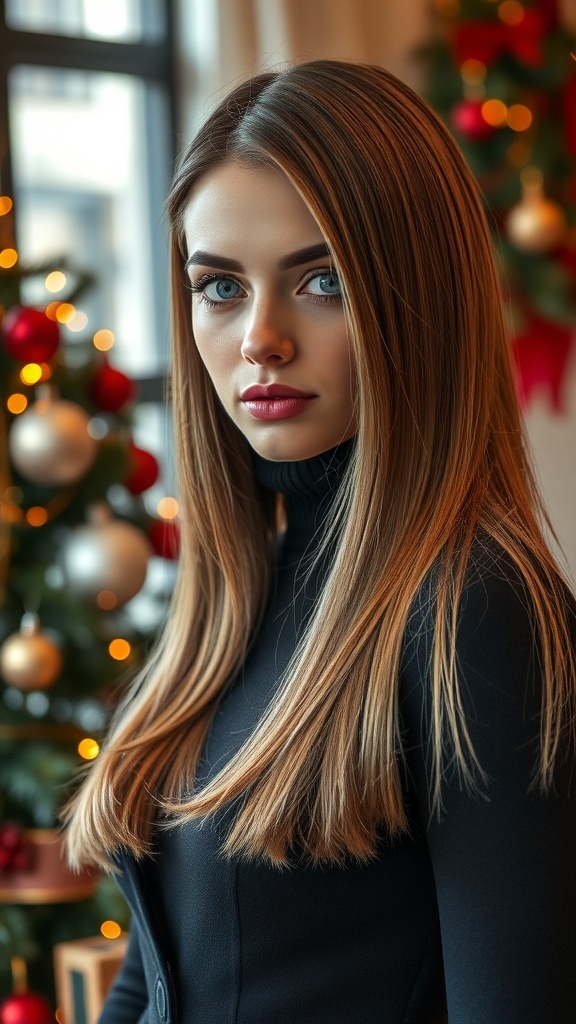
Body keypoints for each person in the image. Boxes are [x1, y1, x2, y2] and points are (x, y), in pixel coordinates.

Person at [64, 60, 576, 1023]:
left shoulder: (478, 616)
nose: (261, 338)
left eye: (322, 279)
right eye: (218, 286)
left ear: (417, 301)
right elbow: (163, 975)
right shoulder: (235, 593)